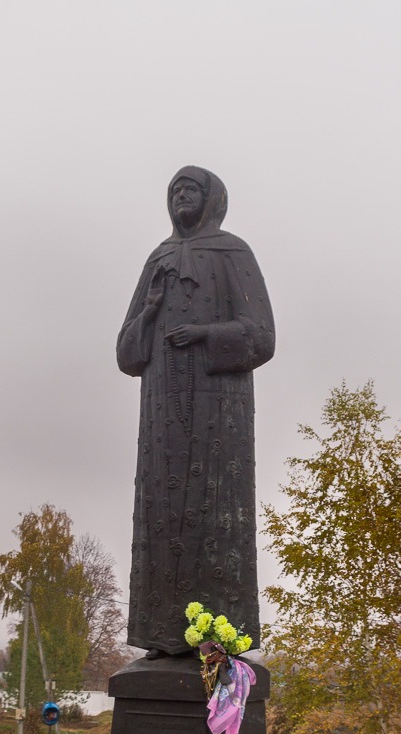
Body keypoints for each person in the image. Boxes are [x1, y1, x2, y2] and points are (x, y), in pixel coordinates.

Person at [118, 166, 275, 656]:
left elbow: (262, 336)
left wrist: (207, 334)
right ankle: (161, 635)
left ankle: (219, 635)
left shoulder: (234, 252)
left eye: (191, 189)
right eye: (174, 190)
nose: (181, 196)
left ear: (212, 199)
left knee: (215, 513)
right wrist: (149, 312)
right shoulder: (158, 258)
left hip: (219, 414)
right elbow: (127, 355)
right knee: (161, 515)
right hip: (162, 412)